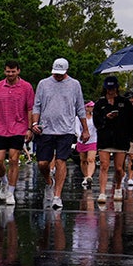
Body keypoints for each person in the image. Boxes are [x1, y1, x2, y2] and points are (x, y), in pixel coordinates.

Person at [30, 58, 88, 210]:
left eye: (61, 74)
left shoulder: (75, 85)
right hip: (46, 128)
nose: (58, 76)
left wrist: (85, 129)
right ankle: (49, 181)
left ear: (66, 71)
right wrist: (34, 124)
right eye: (56, 73)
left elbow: (80, 108)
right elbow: (36, 106)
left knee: (61, 161)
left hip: (66, 129)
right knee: (42, 163)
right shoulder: (43, 84)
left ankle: (57, 196)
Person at [0, 60, 35, 206]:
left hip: (18, 127)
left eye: (13, 71)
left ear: (18, 71)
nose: (10, 74)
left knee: (13, 159)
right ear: (5, 72)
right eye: (8, 71)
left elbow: (30, 108)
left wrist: (29, 128)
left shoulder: (26, 87)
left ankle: (11, 192)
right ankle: (4, 181)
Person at [93, 76, 133, 204]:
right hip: (105, 138)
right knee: (104, 165)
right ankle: (102, 192)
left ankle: (118, 187)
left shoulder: (125, 103)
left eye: (112, 88)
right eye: (108, 88)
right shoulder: (100, 103)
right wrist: (106, 117)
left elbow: (132, 121)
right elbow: (96, 122)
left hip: (121, 138)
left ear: (117, 88)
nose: (110, 91)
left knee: (119, 168)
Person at [76, 102, 97, 187]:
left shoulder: (95, 118)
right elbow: (76, 128)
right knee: (83, 160)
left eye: (92, 107)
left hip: (93, 140)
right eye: (90, 106)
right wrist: (80, 135)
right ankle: (85, 176)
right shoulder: (78, 118)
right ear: (86, 107)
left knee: (91, 159)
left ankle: (89, 176)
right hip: (82, 141)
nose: (91, 108)